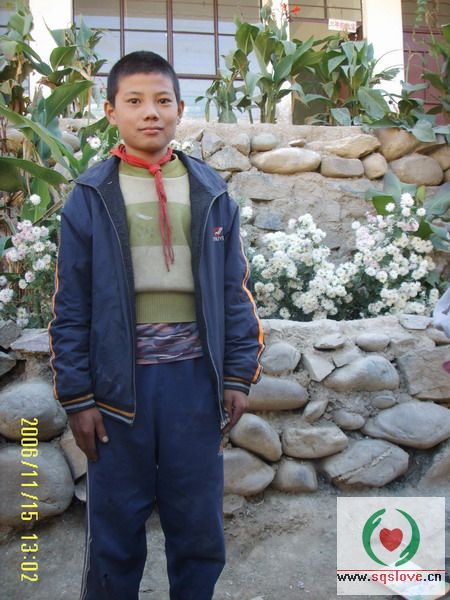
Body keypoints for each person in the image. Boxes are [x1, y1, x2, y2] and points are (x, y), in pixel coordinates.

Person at [48, 50, 265, 600]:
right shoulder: (90, 197)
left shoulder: (210, 191)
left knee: (197, 524)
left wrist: (237, 375)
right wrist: (78, 396)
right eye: (135, 101)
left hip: (194, 384)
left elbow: (233, 291)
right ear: (110, 112)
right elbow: (71, 304)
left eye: (163, 100)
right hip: (117, 390)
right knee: (115, 528)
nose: (151, 112)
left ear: (180, 109)